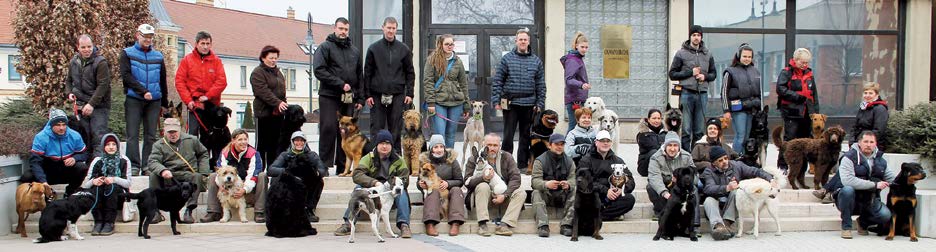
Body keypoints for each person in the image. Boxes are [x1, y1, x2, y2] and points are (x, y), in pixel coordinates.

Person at [335, 130, 412, 238]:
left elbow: (405, 180)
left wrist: (392, 186)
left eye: (387, 143)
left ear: (391, 145)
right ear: (377, 144)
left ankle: (404, 225)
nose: (384, 146)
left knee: (402, 192)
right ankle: (348, 223)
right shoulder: (369, 158)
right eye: (382, 143)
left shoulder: (399, 160)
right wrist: (373, 182)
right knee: (358, 189)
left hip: (390, 193)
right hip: (373, 192)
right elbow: (357, 174)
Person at [491, 27, 546, 170]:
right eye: (520, 39)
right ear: (516, 41)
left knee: (525, 136)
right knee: (508, 136)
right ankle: (505, 165)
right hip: (511, 103)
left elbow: (540, 84)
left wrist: (540, 103)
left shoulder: (536, 61)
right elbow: (498, 81)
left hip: (529, 104)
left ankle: (522, 164)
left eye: (525, 39)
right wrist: (496, 100)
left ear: (529, 41)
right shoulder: (507, 59)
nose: (522, 41)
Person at [314, 17, 363, 174]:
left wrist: (360, 97)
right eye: (340, 28)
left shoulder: (354, 51)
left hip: (349, 98)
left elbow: (359, 76)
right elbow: (319, 70)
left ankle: (343, 167)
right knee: (328, 128)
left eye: (346, 29)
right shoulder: (325, 48)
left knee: (346, 131)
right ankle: (324, 165)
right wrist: (340, 83)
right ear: (334, 28)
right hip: (329, 95)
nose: (343, 32)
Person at [824, 131, 895, 239]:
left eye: (871, 142)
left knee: (885, 215)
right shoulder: (848, 157)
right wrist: (874, 185)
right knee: (847, 189)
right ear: (859, 143)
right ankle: (846, 227)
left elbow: (892, 179)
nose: (868, 144)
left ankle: (863, 223)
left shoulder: (881, 160)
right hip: (848, 199)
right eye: (865, 141)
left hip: (869, 199)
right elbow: (848, 180)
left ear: (875, 144)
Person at [120, 24, 169, 174]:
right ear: (137, 35)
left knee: (150, 135)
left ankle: (147, 165)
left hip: (154, 100)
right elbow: (126, 76)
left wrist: (164, 102)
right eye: (145, 36)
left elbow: (162, 80)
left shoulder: (158, 56)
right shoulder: (127, 53)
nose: (148, 39)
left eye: (150, 37)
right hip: (134, 98)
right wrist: (143, 91)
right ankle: (134, 165)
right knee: (132, 134)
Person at [701, 146, 777, 241]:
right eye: (720, 160)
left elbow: (755, 171)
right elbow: (708, 188)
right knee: (708, 200)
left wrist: (771, 178)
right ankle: (718, 226)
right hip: (716, 206)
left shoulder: (737, 165)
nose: (725, 161)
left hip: (732, 207)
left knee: (736, 192)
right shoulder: (708, 171)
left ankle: (727, 223)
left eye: (726, 158)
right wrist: (726, 188)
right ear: (713, 163)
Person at [364, 17, 415, 152]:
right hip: (376, 93)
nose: (391, 31)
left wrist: (410, 93)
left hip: (398, 93)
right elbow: (367, 73)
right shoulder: (373, 49)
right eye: (388, 28)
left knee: (396, 126)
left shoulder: (404, 49)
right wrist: (367, 94)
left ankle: (395, 154)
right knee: (376, 126)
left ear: (396, 30)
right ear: (383, 28)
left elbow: (410, 72)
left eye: (393, 28)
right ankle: (375, 155)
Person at [147, 118, 210, 224]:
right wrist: (162, 170)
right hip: (170, 176)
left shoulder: (192, 140)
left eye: (175, 131)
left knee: (197, 177)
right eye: (170, 132)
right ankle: (155, 211)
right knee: (153, 175)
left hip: (188, 174)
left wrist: (204, 172)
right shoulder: (158, 145)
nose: (173, 134)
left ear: (180, 130)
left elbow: (203, 153)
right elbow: (152, 161)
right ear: (164, 132)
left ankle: (189, 210)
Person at [200, 129, 270, 223]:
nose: (243, 142)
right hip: (227, 191)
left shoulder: (253, 154)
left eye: (245, 139)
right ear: (233, 140)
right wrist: (221, 186)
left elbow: (253, 175)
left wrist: (244, 189)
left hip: (248, 191)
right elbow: (220, 172)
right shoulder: (225, 153)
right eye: (240, 139)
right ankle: (214, 212)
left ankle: (259, 212)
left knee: (262, 175)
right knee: (213, 176)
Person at [464, 133, 526, 236]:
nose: (492, 148)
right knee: (482, 186)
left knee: (521, 193)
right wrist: (483, 178)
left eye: (495, 145)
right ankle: (482, 224)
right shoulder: (473, 159)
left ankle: (505, 224)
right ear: (483, 145)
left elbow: (516, 179)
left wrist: (505, 194)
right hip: (483, 197)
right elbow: (467, 182)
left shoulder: (507, 157)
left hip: (503, 194)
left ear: (499, 146)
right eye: (489, 145)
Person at [668, 25, 716, 152]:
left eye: (698, 35)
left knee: (699, 130)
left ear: (701, 37)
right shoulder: (681, 53)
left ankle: (696, 156)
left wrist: (704, 76)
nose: (696, 37)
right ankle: (685, 156)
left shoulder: (708, 54)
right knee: (686, 129)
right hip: (686, 93)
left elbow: (713, 74)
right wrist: (691, 72)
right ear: (690, 37)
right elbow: (672, 74)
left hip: (702, 94)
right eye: (694, 35)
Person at [24, 109, 89, 196]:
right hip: (48, 170)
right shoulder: (41, 137)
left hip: (66, 169)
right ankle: (43, 197)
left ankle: (70, 192)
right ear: (51, 125)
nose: (61, 128)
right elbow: (35, 162)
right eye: (58, 125)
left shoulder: (75, 135)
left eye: (64, 125)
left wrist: (75, 158)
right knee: (27, 176)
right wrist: (42, 181)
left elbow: (85, 154)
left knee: (82, 167)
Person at [65, 34, 111, 158]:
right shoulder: (74, 61)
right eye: (83, 47)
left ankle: (98, 168)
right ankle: (86, 168)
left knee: (98, 137)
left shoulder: (100, 62)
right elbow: (68, 80)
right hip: (80, 104)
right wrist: (69, 93)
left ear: (93, 46)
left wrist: (91, 104)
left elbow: (103, 85)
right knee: (84, 136)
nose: (87, 50)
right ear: (78, 47)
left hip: (99, 105)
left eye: (89, 47)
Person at [268, 131, 328, 223]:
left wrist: (312, 172)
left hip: (305, 183)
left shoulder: (312, 155)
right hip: (289, 182)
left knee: (318, 181)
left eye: (301, 141)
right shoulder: (285, 155)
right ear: (292, 142)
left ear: (305, 142)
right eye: (296, 140)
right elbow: (271, 170)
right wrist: (289, 172)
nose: (299, 143)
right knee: (275, 179)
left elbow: (322, 170)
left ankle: (308, 209)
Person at [776, 48, 819, 171]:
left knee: (806, 140)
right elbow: (780, 89)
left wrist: (815, 111)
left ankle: (801, 167)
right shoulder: (786, 72)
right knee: (789, 139)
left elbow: (814, 94)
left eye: (807, 62)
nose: (805, 65)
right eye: (803, 62)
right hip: (791, 112)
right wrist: (798, 97)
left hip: (807, 112)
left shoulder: (810, 74)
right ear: (795, 60)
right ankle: (783, 166)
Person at [423, 34, 469, 148]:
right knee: (440, 134)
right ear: (441, 45)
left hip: (456, 102)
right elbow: (428, 82)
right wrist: (431, 103)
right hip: (438, 102)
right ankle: (439, 161)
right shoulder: (432, 60)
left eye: (451, 44)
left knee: (451, 134)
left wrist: (466, 105)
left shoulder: (458, 61)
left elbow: (463, 83)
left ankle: (449, 161)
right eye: (447, 44)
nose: (449, 46)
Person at [81, 134, 131, 236]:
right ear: (104, 146)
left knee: (111, 187)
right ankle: (98, 222)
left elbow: (128, 183)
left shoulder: (124, 160)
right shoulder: (97, 161)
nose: (111, 147)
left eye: (114, 144)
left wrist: (114, 179)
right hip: (99, 194)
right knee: (97, 187)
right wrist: (94, 181)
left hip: (118, 195)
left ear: (117, 146)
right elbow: (86, 184)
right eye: (108, 144)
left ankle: (109, 222)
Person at [580, 130, 636, 221]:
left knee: (629, 199)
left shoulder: (618, 161)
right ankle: (608, 215)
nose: (605, 143)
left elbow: (630, 180)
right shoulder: (586, 160)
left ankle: (598, 216)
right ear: (596, 142)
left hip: (612, 197)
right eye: (602, 141)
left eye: (608, 141)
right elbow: (584, 181)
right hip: (595, 194)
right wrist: (606, 191)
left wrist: (621, 189)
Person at [417, 134, 466, 236]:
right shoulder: (425, 162)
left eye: (441, 146)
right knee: (432, 190)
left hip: (448, 192)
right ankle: (430, 223)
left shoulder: (452, 161)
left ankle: (455, 222)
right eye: (435, 147)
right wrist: (421, 185)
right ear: (431, 149)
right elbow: (419, 180)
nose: (439, 150)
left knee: (457, 190)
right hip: (433, 193)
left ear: (444, 147)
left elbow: (460, 181)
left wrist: (448, 183)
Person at [531, 134, 576, 237]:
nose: (560, 147)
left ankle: (567, 225)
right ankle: (543, 226)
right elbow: (534, 181)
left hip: (562, 195)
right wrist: (546, 184)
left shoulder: (569, 161)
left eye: (562, 144)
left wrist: (568, 184)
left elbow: (573, 178)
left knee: (575, 190)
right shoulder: (540, 160)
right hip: (547, 194)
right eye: (556, 144)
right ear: (550, 145)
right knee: (536, 192)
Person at [720, 43, 762, 154]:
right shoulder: (730, 71)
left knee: (747, 136)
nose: (747, 59)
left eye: (749, 57)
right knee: (740, 135)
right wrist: (726, 110)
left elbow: (760, 91)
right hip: (738, 109)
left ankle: (743, 161)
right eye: (744, 56)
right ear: (739, 56)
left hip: (752, 108)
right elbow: (724, 92)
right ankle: (735, 159)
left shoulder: (755, 71)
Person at [250, 45, 287, 167]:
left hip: (278, 114)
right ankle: (259, 170)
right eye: (271, 58)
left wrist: (283, 104)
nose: (274, 60)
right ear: (263, 58)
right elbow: (263, 92)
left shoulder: (278, 73)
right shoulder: (257, 72)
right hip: (264, 114)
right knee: (262, 144)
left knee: (275, 143)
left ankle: (273, 168)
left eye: (276, 58)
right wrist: (277, 102)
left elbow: (282, 91)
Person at [646, 131, 696, 219]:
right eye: (670, 145)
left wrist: (682, 181)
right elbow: (654, 177)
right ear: (665, 146)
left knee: (694, 188)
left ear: (679, 147)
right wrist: (665, 193)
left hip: (681, 187)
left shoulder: (687, 156)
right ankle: (660, 211)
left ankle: (694, 224)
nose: (672, 149)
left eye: (675, 145)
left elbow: (695, 176)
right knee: (650, 186)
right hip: (665, 185)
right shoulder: (655, 158)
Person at [561, 32, 590, 131]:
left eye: (586, 47)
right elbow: (569, 80)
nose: (585, 49)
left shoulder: (577, 58)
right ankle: (566, 146)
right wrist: (582, 85)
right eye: (582, 47)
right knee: (573, 127)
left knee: (578, 127)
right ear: (576, 46)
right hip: (575, 100)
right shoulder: (573, 60)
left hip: (578, 99)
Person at [851, 82, 888, 149]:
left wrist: (864, 142)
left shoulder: (880, 109)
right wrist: (852, 142)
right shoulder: (863, 107)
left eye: (870, 93)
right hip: (858, 144)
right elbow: (855, 127)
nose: (867, 95)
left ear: (877, 95)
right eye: (865, 93)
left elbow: (878, 130)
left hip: (872, 146)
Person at [636, 109, 667, 177]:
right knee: (654, 152)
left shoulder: (665, 132)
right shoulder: (642, 134)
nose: (657, 121)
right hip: (645, 166)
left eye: (659, 118)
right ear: (648, 120)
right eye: (654, 118)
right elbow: (655, 147)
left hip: (662, 165)